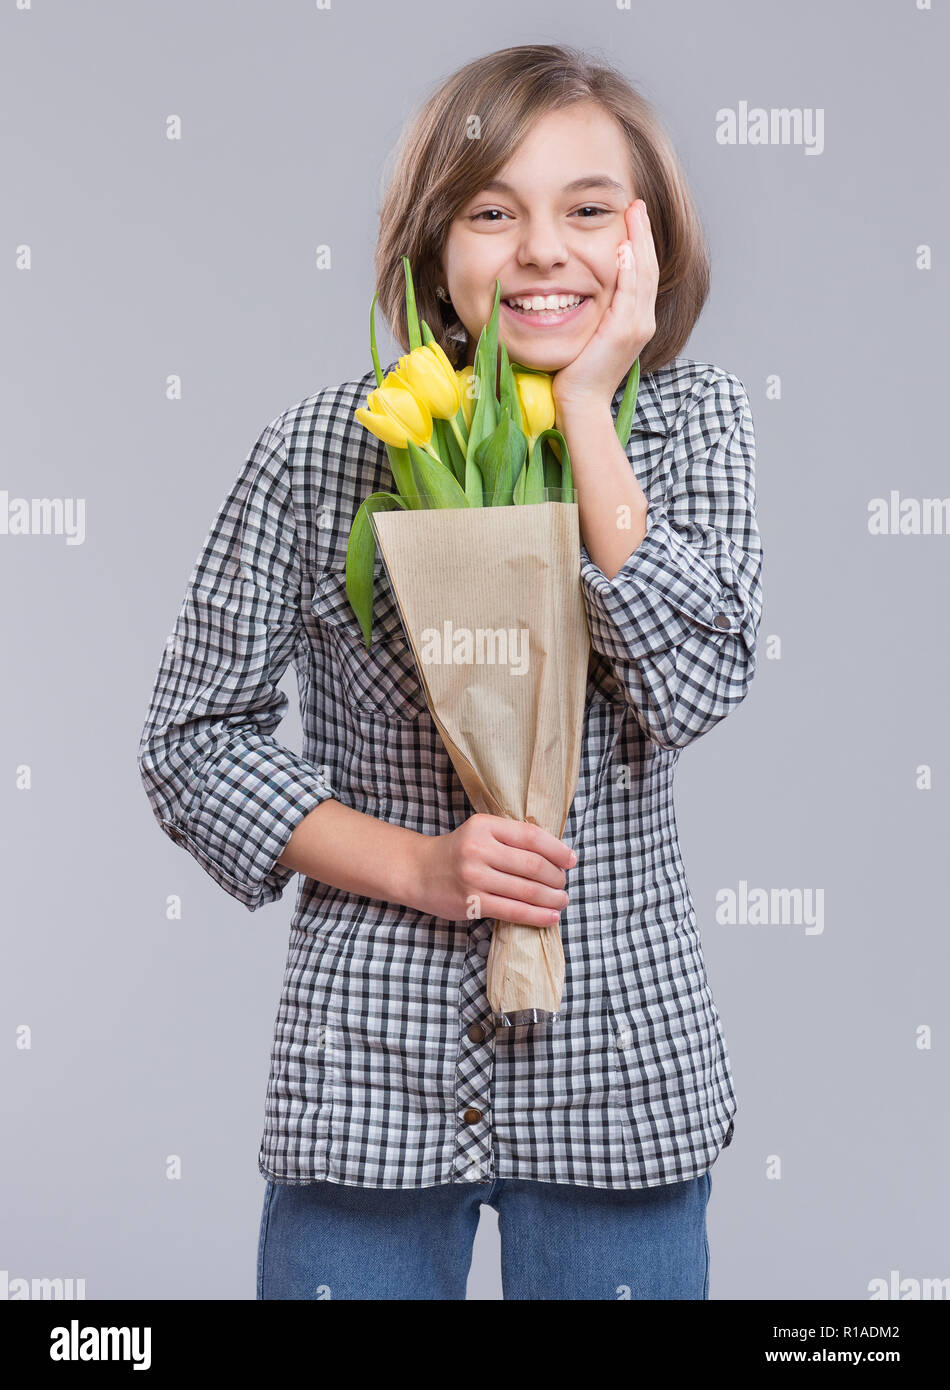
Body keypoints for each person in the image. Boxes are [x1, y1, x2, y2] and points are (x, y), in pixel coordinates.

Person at [137, 43, 764, 1301]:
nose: (540, 249)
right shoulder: (329, 446)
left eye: (587, 210)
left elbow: (692, 686)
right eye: (492, 211)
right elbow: (191, 743)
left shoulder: (693, 426)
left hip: (616, 1061)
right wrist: (421, 867)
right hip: (368, 1056)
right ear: (433, 247)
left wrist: (588, 409)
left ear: (647, 241)